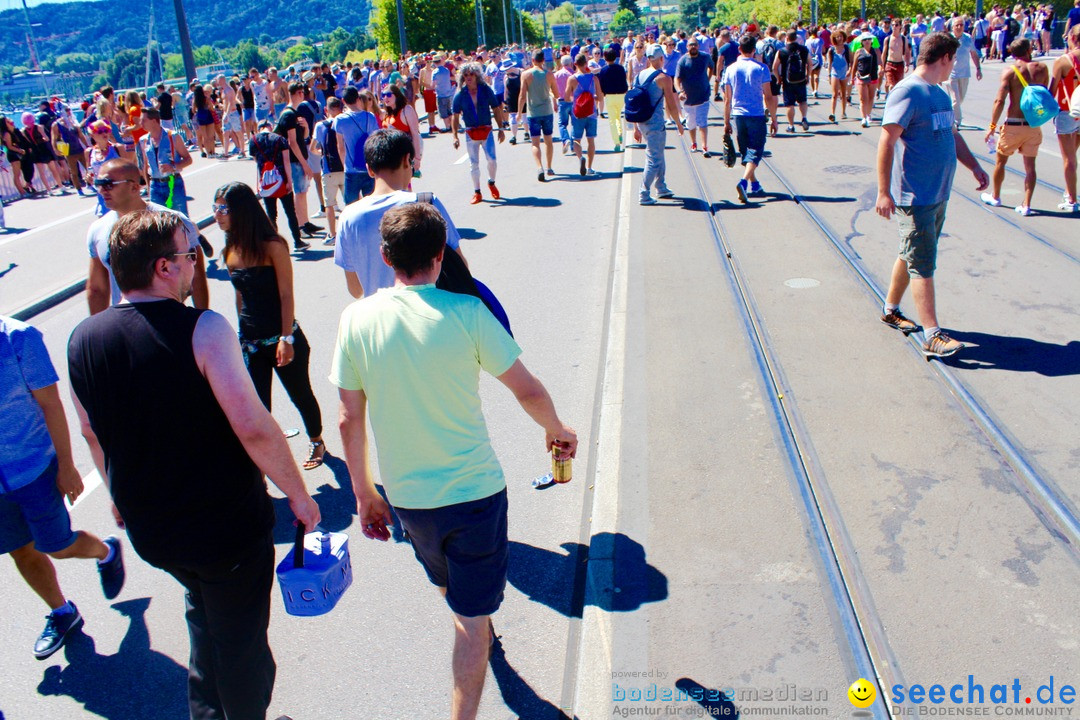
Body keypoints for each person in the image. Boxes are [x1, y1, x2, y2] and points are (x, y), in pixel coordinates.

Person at [68, 209, 321, 720]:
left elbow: (91, 431)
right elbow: (252, 424)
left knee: (206, 616)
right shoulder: (202, 328)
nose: (195, 267)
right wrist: (299, 495)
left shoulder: (83, 338)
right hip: (221, 527)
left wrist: (117, 498)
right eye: (190, 256)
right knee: (244, 647)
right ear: (163, 267)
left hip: (152, 528)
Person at [330, 201, 577, 720]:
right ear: (441, 255)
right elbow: (527, 390)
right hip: (475, 495)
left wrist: (364, 493)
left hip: (409, 500)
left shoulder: (356, 320)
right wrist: (557, 430)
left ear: (384, 255)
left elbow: (349, 421)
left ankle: (477, 625)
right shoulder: (467, 314)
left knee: (452, 592)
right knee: (470, 620)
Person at [1, 315, 125, 660]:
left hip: (35, 470)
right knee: (21, 551)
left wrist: (68, 467)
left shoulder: (18, 338)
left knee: (56, 546)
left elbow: (51, 404)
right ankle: (62, 612)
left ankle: (105, 551)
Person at [876, 32, 990, 359]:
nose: (953, 67)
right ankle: (932, 333)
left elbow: (952, 136)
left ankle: (891, 308)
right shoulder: (909, 91)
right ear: (943, 58)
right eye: (953, 60)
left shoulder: (939, 95)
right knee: (923, 262)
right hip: (916, 196)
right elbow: (886, 143)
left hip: (938, 193)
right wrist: (884, 192)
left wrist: (974, 167)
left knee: (912, 252)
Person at [213, 182, 326, 470]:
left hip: (282, 339)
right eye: (215, 209)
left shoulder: (273, 246)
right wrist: (240, 338)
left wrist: (286, 338)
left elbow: (286, 293)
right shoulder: (230, 250)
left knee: (300, 395)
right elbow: (240, 297)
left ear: (241, 210)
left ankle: (316, 439)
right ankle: (265, 464)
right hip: (251, 343)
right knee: (257, 408)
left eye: (223, 208)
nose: (217, 214)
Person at [336, 129, 467, 299]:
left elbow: (355, 290)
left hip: (381, 320)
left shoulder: (348, 216)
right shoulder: (426, 203)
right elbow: (460, 265)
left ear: (369, 169)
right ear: (407, 160)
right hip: (429, 314)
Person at [86, 159, 209, 314]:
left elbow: (196, 277)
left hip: (170, 321)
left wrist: (201, 320)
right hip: (125, 324)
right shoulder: (97, 230)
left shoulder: (175, 222)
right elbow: (97, 288)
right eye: (98, 184)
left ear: (134, 187)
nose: (102, 190)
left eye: (108, 184)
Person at [981, 38, 1049, 216]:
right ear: (1028, 50)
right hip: (1033, 124)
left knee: (1000, 162)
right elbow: (1045, 94)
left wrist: (992, 125)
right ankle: (1026, 205)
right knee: (1030, 167)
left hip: (1013, 124)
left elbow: (1000, 100)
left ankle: (995, 196)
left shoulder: (1010, 72)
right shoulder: (1042, 69)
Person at [723, 34, 776, 203]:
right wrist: (774, 118)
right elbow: (768, 96)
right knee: (755, 151)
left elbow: (727, 99)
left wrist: (726, 122)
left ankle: (755, 185)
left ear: (739, 49)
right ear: (754, 50)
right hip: (756, 114)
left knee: (746, 151)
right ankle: (744, 182)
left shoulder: (730, 69)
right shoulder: (761, 68)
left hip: (738, 115)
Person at [636, 44, 684, 205]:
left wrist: (635, 127)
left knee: (658, 153)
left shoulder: (640, 75)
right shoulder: (664, 78)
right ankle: (643, 192)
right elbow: (671, 105)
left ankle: (661, 186)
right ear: (661, 59)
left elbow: (635, 101)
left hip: (642, 121)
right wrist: (678, 123)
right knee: (654, 158)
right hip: (655, 123)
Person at [452, 63, 506, 203]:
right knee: (474, 163)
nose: (469, 77)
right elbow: (455, 115)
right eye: (466, 75)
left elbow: (496, 108)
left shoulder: (485, 90)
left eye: (471, 74)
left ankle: (491, 182)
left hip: (486, 129)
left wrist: (501, 129)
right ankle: (477, 192)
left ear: (476, 75)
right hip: (471, 132)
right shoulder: (460, 94)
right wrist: (455, 136)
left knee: (492, 160)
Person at [249, 120, 307, 250]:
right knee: (290, 212)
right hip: (282, 181)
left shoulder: (253, 141)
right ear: (271, 127)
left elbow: (256, 162)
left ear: (259, 129)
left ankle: (273, 244)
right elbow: (286, 162)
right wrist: (289, 182)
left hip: (266, 183)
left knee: (271, 214)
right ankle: (297, 241)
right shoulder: (280, 140)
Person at [274, 82, 322, 238]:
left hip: (300, 158)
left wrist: (307, 127)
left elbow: (304, 138)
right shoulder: (289, 115)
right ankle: (301, 226)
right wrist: (305, 164)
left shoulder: (293, 114)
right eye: (303, 92)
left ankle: (305, 222)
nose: (304, 95)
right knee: (300, 193)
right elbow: (292, 142)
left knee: (303, 192)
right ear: (299, 93)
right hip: (295, 160)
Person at [138, 108, 193, 217]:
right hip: (155, 185)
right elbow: (145, 165)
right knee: (158, 222)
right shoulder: (144, 140)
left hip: (173, 182)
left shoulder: (172, 136)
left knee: (180, 219)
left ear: (154, 121)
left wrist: (173, 166)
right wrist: (149, 187)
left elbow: (188, 159)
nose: (141, 123)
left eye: (143, 120)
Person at [1049, 25, 1080, 212]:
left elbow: (1051, 92)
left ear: (1073, 38)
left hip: (1067, 111)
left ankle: (1072, 200)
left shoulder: (1063, 61)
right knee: (1073, 154)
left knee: (1068, 158)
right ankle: (1070, 190)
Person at [333, 87, 381, 204]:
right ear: (358, 98)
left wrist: (345, 165)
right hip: (369, 166)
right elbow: (376, 139)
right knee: (372, 203)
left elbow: (340, 147)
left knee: (351, 205)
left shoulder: (339, 120)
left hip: (351, 169)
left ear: (343, 101)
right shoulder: (369, 116)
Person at [520, 50, 560, 182]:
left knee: (535, 143)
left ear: (532, 60)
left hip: (533, 113)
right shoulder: (549, 75)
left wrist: (519, 113)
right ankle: (549, 167)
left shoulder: (525, 75)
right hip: (547, 111)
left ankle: (539, 167)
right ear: (543, 60)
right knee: (548, 140)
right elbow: (556, 93)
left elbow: (522, 96)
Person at [312, 96, 347, 245]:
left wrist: (322, 152)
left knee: (330, 204)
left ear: (326, 109)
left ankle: (332, 234)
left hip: (328, 169)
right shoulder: (345, 122)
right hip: (346, 167)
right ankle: (350, 231)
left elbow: (312, 148)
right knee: (350, 202)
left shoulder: (321, 126)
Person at [565, 53, 604, 176]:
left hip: (578, 113)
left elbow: (566, 97)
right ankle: (590, 167)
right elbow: (601, 97)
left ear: (574, 64)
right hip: (591, 112)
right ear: (586, 63)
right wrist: (592, 98)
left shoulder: (572, 79)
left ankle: (581, 157)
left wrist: (576, 99)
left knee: (576, 139)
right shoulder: (594, 78)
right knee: (591, 140)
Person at [676, 36, 713, 154]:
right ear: (687, 47)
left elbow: (711, 67)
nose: (693, 47)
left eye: (695, 45)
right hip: (688, 98)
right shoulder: (682, 61)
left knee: (702, 121)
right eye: (691, 45)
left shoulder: (705, 57)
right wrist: (679, 91)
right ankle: (693, 143)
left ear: (698, 46)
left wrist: (708, 78)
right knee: (691, 123)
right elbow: (677, 79)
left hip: (703, 96)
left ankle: (704, 146)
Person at [947, 17, 982, 128]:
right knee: (955, 100)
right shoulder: (948, 39)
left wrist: (978, 69)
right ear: (952, 27)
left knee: (960, 99)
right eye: (956, 25)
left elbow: (974, 54)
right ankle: (957, 122)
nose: (959, 27)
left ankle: (951, 113)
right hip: (951, 74)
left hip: (964, 74)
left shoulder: (967, 38)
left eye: (961, 25)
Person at [381, 84, 424, 177]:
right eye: (383, 95)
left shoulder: (406, 110)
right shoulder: (387, 113)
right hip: (391, 155)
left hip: (405, 154)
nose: (385, 98)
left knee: (404, 183)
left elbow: (415, 134)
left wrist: (417, 158)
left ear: (397, 95)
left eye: (388, 95)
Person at [773, 29, 811, 134]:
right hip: (801, 79)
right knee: (802, 101)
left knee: (790, 104)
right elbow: (810, 63)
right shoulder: (804, 49)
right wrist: (808, 76)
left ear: (787, 38)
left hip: (787, 81)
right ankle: (804, 118)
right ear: (796, 38)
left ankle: (791, 125)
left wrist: (778, 78)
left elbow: (774, 67)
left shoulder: (782, 51)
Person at [599, 47, 628, 152]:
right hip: (621, 95)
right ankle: (620, 134)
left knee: (612, 119)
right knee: (618, 117)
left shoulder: (603, 70)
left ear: (605, 57)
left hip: (610, 96)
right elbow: (624, 82)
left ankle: (616, 142)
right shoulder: (620, 68)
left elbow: (601, 85)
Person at [852, 35, 881, 127]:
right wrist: (852, 78)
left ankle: (868, 114)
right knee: (863, 99)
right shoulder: (859, 51)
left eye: (869, 39)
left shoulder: (875, 51)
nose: (867, 41)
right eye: (865, 40)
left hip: (873, 77)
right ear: (862, 42)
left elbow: (880, 62)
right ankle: (864, 118)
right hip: (862, 77)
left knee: (870, 98)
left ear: (872, 41)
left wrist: (880, 68)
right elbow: (854, 65)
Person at [882, 18, 912, 97]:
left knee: (898, 86)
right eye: (892, 25)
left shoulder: (903, 39)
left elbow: (907, 52)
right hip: (889, 64)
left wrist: (907, 65)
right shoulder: (887, 39)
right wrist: (882, 66)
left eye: (896, 25)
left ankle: (893, 98)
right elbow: (884, 53)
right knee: (891, 85)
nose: (894, 27)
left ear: (900, 26)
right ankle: (890, 98)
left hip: (899, 64)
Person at [827, 30, 851, 122]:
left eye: (841, 36)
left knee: (843, 94)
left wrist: (850, 70)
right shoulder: (831, 50)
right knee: (834, 94)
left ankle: (843, 112)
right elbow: (829, 63)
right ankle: (832, 113)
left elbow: (851, 61)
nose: (839, 38)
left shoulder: (847, 48)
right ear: (834, 38)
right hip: (834, 72)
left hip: (844, 72)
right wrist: (829, 75)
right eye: (837, 37)